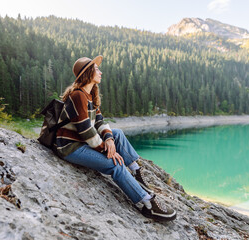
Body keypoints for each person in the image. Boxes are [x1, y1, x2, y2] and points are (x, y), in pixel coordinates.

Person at [56, 55, 176, 221]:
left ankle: (136, 173)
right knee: (115, 164)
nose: (100, 72)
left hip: (83, 142)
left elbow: (100, 122)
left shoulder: (89, 95)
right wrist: (107, 150)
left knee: (117, 133)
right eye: (96, 69)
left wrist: (110, 140)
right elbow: (85, 132)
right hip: (71, 147)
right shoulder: (78, 96)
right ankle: (147, 203)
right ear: (87, 73)